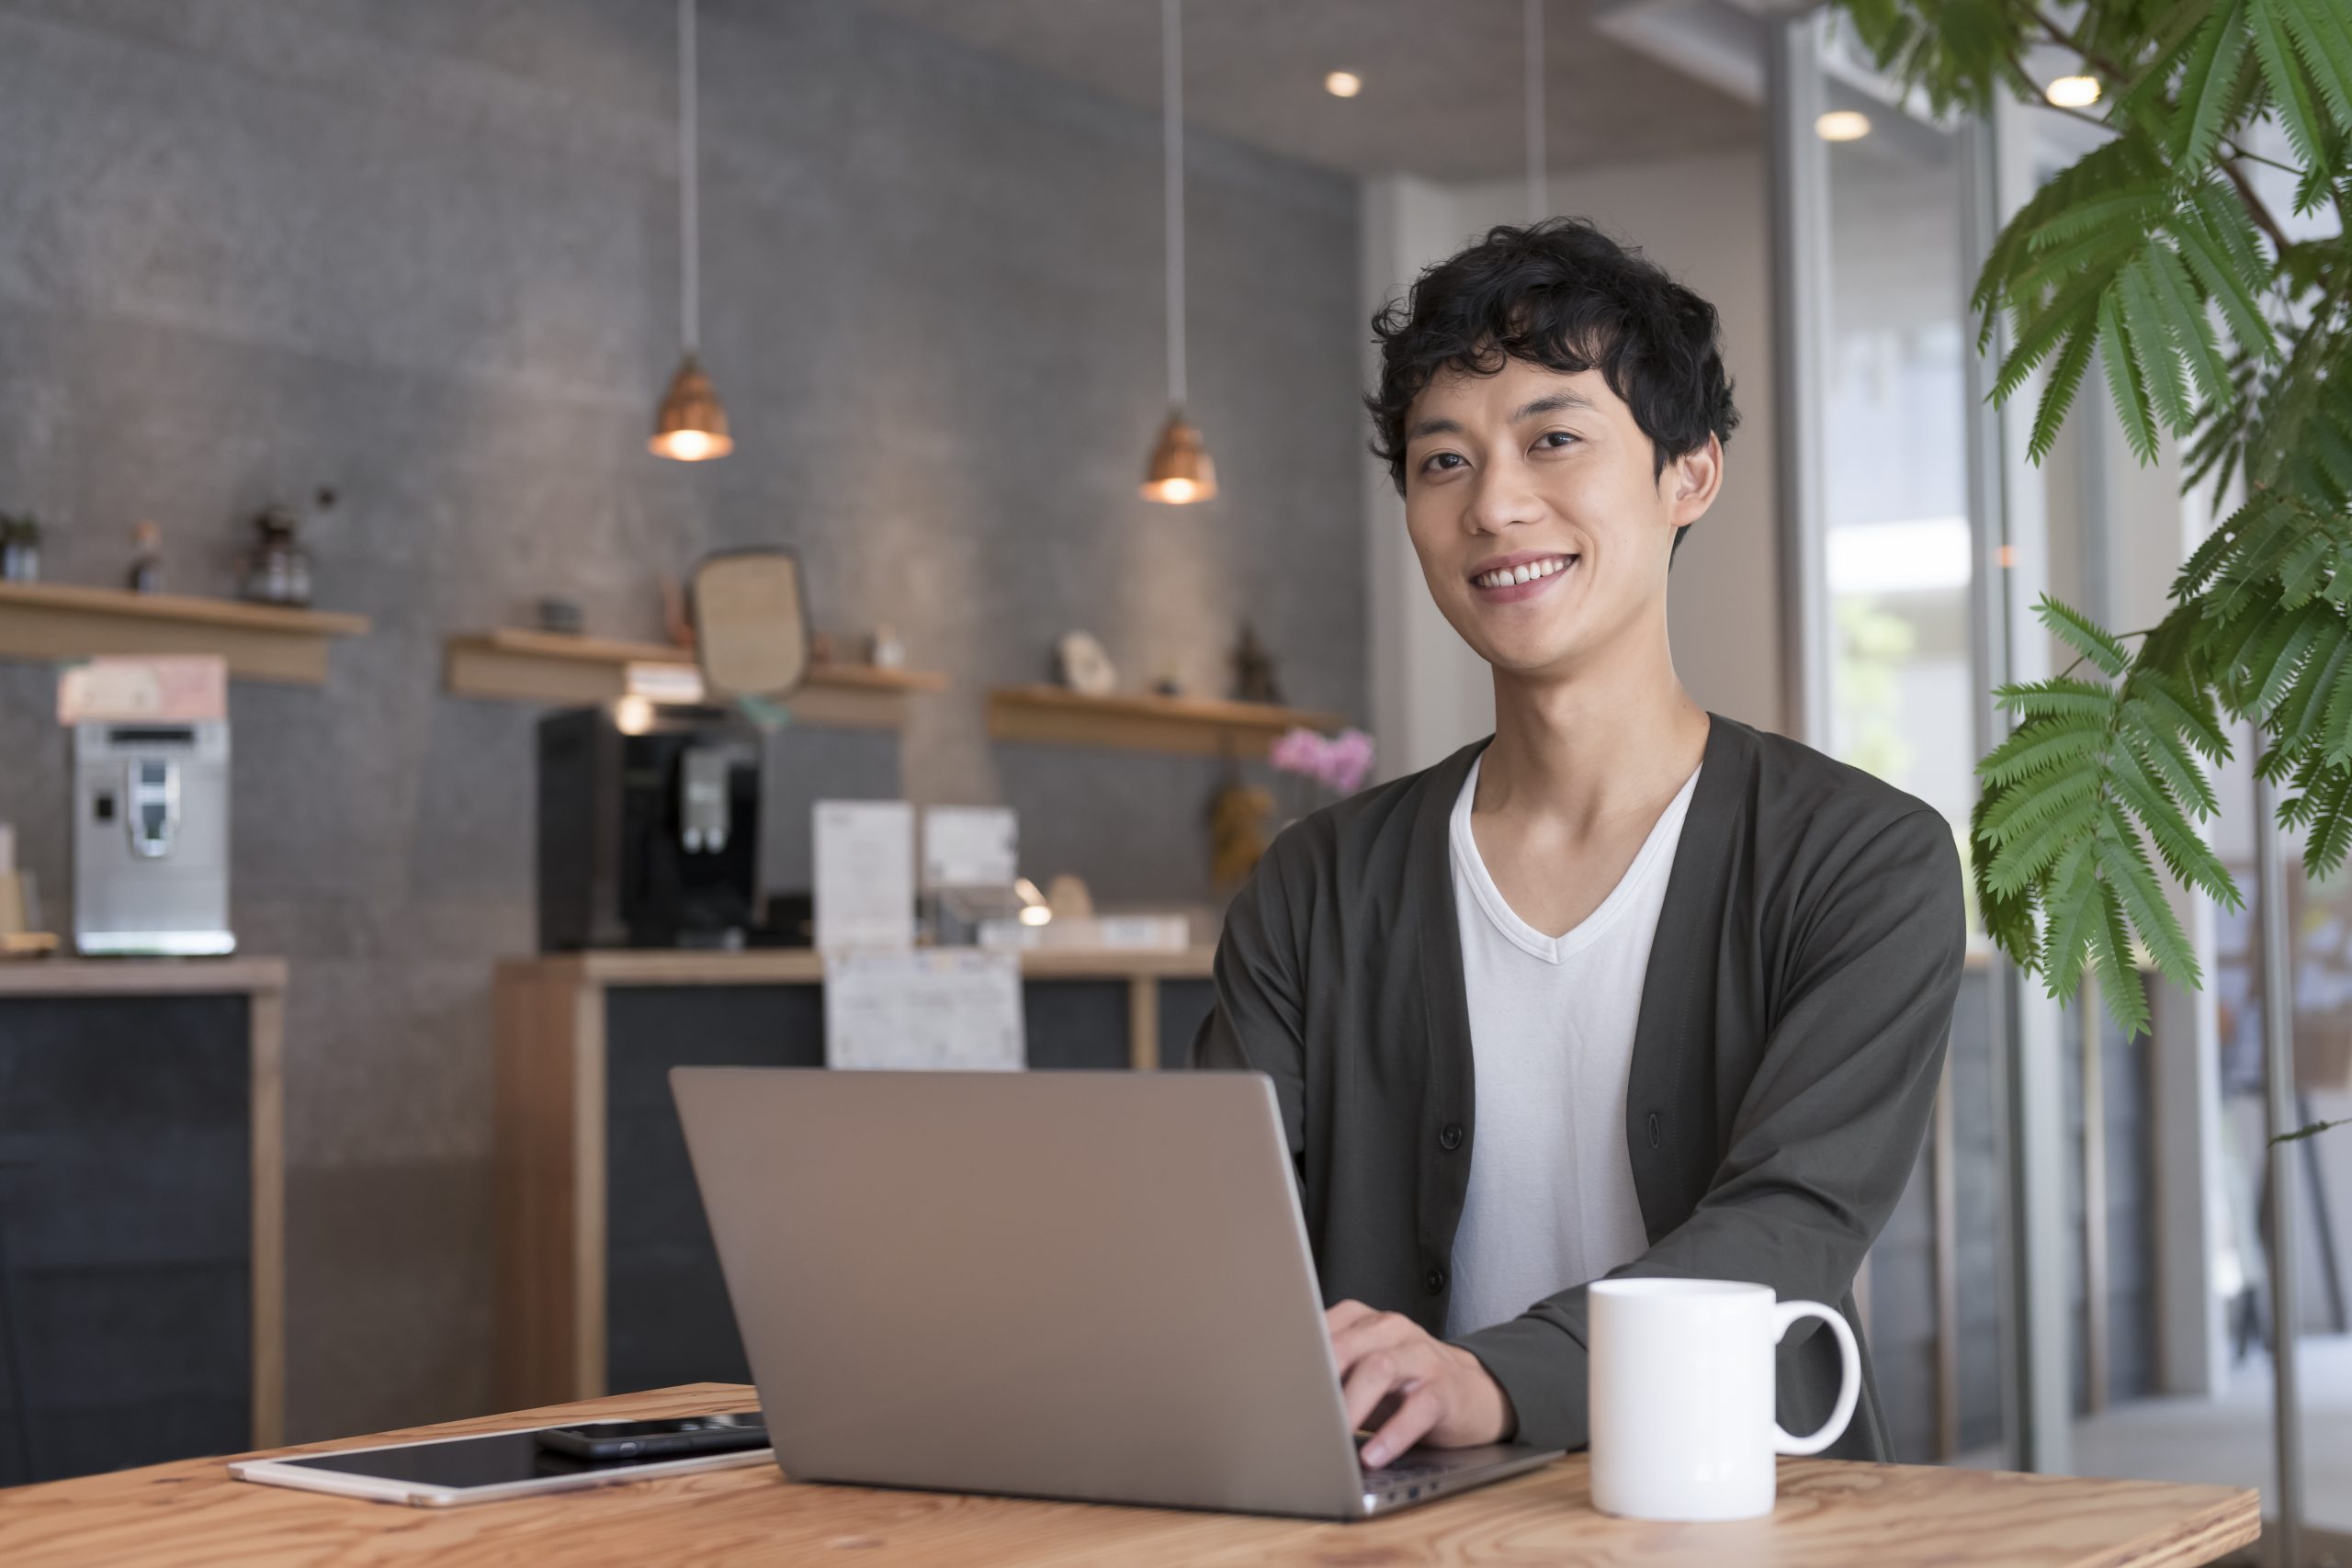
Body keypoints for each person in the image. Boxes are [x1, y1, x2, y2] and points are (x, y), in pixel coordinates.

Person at [1193, 219, 1964, 1468]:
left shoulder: (1864, 862)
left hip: (1740, 1517)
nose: (1495, 504)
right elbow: (1217, 1242)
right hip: (1393, 1530)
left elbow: (1787, 1234)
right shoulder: (1313, 885)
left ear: (1689, 475)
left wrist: (1484, 1381)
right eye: (1442, 461)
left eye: (1553, 439)